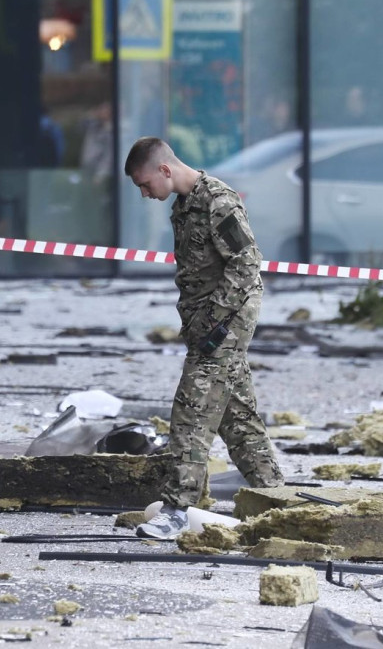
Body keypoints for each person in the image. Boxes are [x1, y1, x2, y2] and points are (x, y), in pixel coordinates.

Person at [124, 137, 285, 539]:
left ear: (165, 169)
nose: (145, 194)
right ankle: (275, 495)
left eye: (145, 185)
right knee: (236, 413)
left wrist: (213, 322)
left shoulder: (218, 200)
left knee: (191, 411)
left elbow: (247, 266)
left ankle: (178, 508)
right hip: (205, 323)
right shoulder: (183, 205)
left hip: (227, 320)